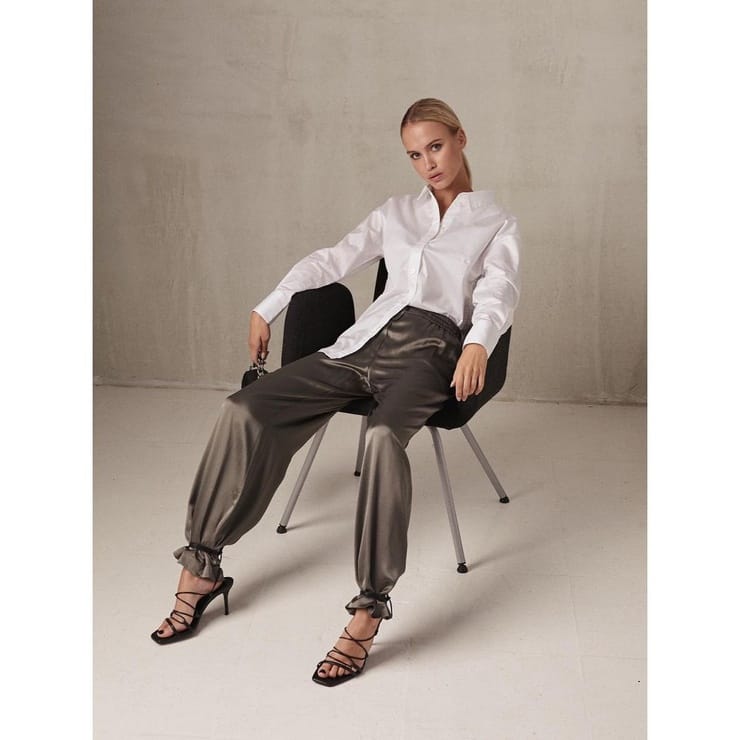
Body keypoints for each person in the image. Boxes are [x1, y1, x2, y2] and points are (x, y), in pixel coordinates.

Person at [151, 97, 522, 687]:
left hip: (430, 351)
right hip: (361, 342)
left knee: (382, 438)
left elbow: (499, 289)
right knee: (243, 408)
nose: (427, 163)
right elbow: (334, 259)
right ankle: (202, 565)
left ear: (460, 138)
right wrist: (267, 306)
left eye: (435, 146)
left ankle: (369, 609)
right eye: (414, 154)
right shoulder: (397, 212)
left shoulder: (495, 222)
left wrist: (478, 341)